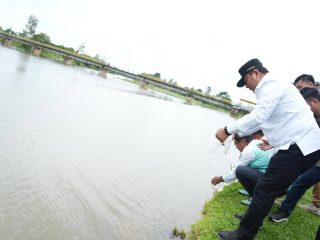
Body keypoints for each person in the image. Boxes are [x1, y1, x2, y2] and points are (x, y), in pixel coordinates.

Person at [215, 58, 320, 240]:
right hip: (296, 145)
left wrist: (227, 129)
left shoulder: (271, 83)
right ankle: (254, 220)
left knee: (265, 188)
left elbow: (259, 115)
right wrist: (272, 141)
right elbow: (278, 120)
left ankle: (245, 234)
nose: (246, 86)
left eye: (246, 81)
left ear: (256, 73)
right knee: (266, 187)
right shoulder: (274, 87)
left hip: (300, 146)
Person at [269, 87, 320, 223]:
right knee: (300, 182)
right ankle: (285, 211)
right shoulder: (314, 118)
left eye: (307, 106)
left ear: (314, 102)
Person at [211, 134, 270, 200]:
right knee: (243, 168)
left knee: (239, 171)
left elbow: (235, 172)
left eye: (236, 144)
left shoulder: (248, 151)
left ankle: (255, 197)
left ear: (243, 141)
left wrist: (220, 179)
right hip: (268, 176)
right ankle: (255, 190)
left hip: (267, 181)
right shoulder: (255, 142)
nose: (236, 147)